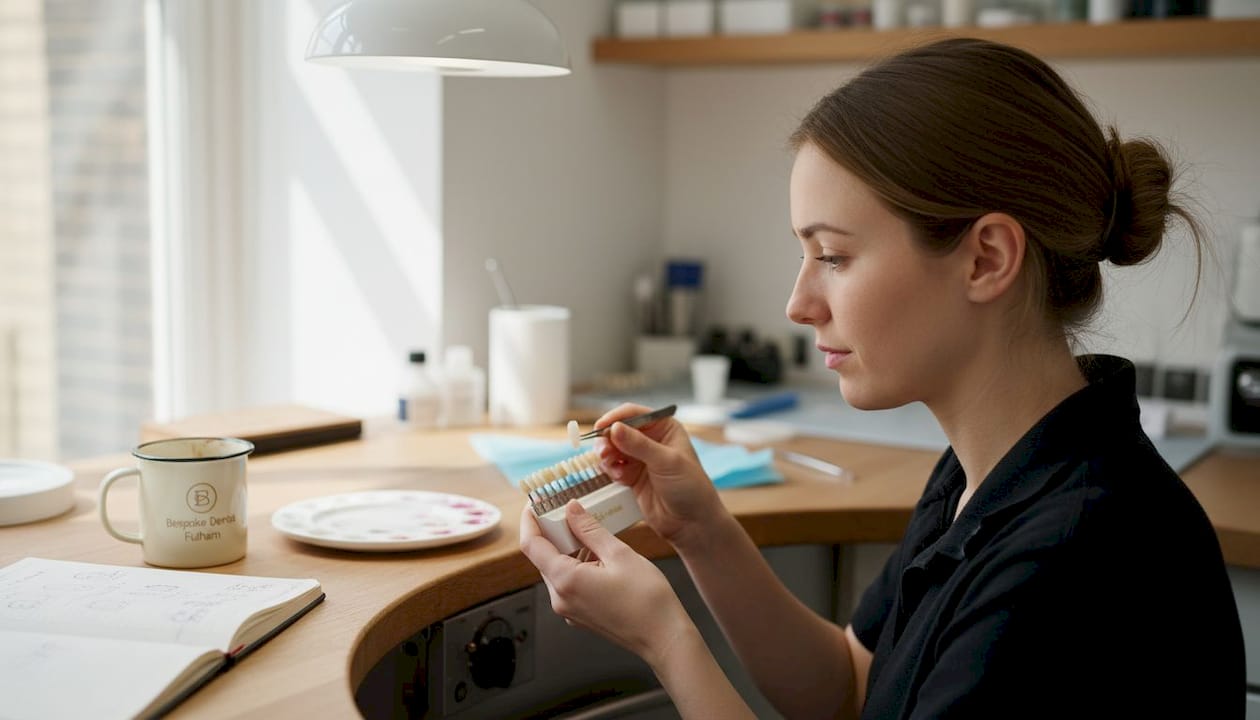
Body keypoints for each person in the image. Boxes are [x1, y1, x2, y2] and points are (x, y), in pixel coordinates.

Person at [519, 38, 1245, 719]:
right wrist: (702, 530)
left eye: (833, 256)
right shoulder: (987, 472)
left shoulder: (1075, 558)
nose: (798, 304)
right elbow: (850, 685)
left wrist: (664, 638)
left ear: (987, 259)